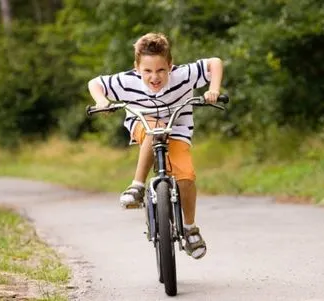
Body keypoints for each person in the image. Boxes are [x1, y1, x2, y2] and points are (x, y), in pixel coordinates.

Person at [87, 32, 223, 259]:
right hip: (143, 124)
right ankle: (137, 186)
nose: (154, 77)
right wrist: (101, 101)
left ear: (170, 65)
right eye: (147, 71)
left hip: (177, 129)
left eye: (161, 70)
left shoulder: (183, 75)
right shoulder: (127, 81)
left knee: (186, 177)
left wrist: (214, 89)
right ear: (137, 68)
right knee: (154, 130)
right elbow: (95, 83)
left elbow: (214, 63)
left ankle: (190, 229)